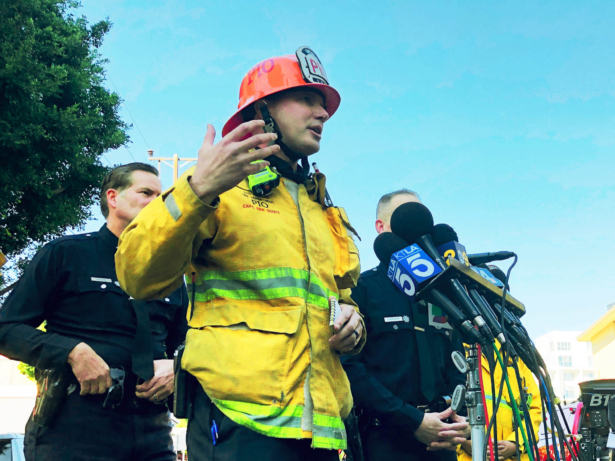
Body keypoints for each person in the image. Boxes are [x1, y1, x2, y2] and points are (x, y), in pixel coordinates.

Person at [115, 47, 365, 461]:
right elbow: (137, 275)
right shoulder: (219, 189)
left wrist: (355, 323)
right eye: (307, 99)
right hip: (237, 421)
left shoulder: (326, 210)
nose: (322, 113)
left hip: (319, 429)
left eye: (324, 104)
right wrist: (197, 189)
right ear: (262, 110)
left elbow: (341, 300)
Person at [0, 163, 189, 461]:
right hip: (73, 432)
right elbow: (6, 329)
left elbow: (190, 340)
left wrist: (177, 366)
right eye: (146, 192)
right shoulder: (66, 254)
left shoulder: (170, 274)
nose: (157, 202)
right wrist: (71, 351)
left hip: (153, 435)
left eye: (161, 196)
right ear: (113, 198)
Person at [341, 189, 470, 461]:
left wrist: (458, 415)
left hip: (442, 441)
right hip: (384, 441)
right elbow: (350, 366)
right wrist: (412, 421)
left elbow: (458, 362)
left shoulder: (443, 293)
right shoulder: (361, 290)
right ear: (381, 227)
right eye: (407, 218)